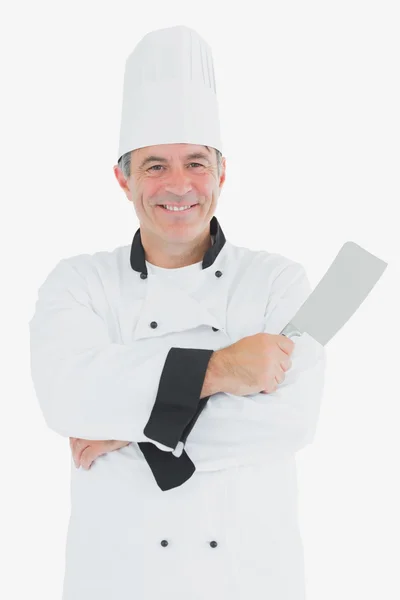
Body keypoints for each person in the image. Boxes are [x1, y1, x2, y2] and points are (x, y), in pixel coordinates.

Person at [28, 24, 326, 600]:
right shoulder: (77, 281)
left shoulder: (282, 281)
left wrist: (126, 429)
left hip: (249, 580)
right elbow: (65, 398)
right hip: (115, 582)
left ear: (221, 173)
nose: (178, 185)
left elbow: (293, 420)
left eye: (195, 162)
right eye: (155, 166)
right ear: (123, 178)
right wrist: (222, 370)